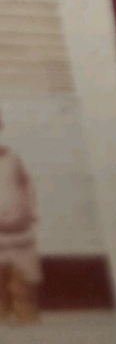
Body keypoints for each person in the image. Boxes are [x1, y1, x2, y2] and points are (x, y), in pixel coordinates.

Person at [0, 115, 40, 323]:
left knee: (23, 277)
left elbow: (26, 184)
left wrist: (29, 211)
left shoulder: (13, 158)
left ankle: (26, 314)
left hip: (17, 227)